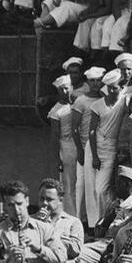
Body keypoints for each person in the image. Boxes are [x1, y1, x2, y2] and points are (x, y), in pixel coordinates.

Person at [38, 178, 84, 263]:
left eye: (49, 199)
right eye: (41, 199)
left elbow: (75, 250)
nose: (44, 204)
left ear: (61, 199)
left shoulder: (73, 222)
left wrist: (49, 231)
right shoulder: (32, 220)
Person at [88, 69, 128, 220]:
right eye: (109, 88)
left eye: (115, 87)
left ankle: (108, 219)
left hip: (113, 148)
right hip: (98, 147)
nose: (112, 91)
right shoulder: (97, 105)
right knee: (97, 189)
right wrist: (95, 156)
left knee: (104, 188)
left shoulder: (125, 100)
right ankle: (100, 220)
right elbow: (92, 131)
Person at [73, 66, 105, 226]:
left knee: (98, 187)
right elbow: (74, 128)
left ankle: (98, 221)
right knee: (82, 185)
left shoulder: (104, 98)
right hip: (86, 149)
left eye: (98, 80)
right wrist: (79, 150)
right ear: (87, 82)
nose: (96, 84)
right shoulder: (81, 101)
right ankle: (82, 221)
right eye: (92, 81)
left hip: (101, 147)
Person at [47, 75, 78, 217]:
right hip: (67, 148)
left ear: (71, 88)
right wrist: (57, 158)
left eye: (66, 88)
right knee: (69, 184)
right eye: (61, 90)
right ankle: (71, 216)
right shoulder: (56, 111)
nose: (65, 92)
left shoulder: (78, 104)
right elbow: (54, 137)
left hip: (81, 145)